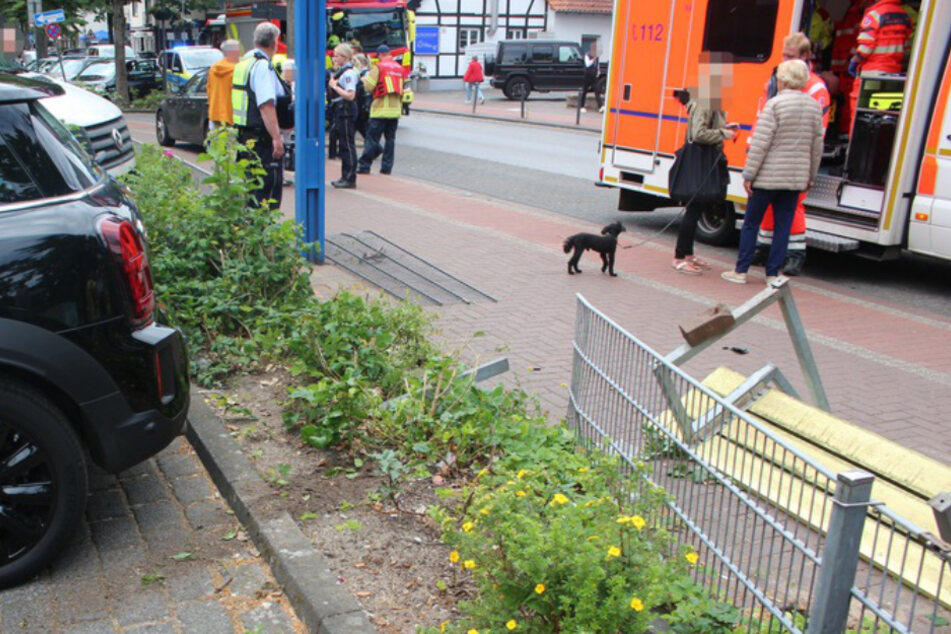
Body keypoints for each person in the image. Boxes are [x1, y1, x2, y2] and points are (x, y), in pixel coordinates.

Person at [722, 60, 823, 285]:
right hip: (794, 180)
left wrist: (749, 174)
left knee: (751, 223)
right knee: (783, 226)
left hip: (767, 177)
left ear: (784, 80)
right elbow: (817, 147)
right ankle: (772, 274)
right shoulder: (814, 107)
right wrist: (811, 177)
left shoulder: (774, 105)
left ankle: (741, 270)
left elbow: (761, 143)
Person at [753, 33, 830, 276]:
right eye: (784, 55)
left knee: (794, 205)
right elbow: (762, 116)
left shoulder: (816, 88)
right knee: (767, 206)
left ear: (805, 57)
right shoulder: (776, 80)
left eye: (790, 56)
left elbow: (817, 132)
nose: (784, 61)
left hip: (795, 157)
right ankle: (764, 247)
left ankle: (796, 254)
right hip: (774, 155)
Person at [671, 61, 737, 276]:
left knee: (696, 208)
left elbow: (703, 128)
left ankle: (688, 254)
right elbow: (698, 134)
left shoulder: (709, 100)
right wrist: (723, 134)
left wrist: (723, 129)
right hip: (701, 159)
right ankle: (680, 257)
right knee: (693, 209)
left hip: (704, 158)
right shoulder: (706, 101)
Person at [231, 21, 288, 211]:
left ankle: (251, 234)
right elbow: (266, 105)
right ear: (274, 42)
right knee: (267, 192)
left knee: (252, 189)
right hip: (262, 139)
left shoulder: (244, 63)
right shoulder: (262, 66)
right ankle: (263, 236)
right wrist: (276, 138)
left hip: (246, 137)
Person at [847, 0, 912, 136]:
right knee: (884, 114)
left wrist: (854, 60)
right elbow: (907, 44)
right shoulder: (905, 16)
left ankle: (855, 144)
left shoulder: (874, 15)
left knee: (860, 110)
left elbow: (866, 46)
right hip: (894, 72)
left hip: (872, 72)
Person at [356, 45, 404, 176]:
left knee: (372, 139)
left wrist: (364, 80)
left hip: (380, 109)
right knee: (390, 140)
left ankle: (365, 166)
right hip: (395, 110)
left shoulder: (379, 67)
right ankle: (386, 168)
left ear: (380, 55)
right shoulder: (400, 69)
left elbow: (368, 87)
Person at [328, 43, 360, 189]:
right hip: (342, 111)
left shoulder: (348, 74)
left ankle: (350, 177)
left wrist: (335, 86)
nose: (334, 58)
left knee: (347, 145)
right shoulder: (343, 72)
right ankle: (345, 175)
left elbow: (350, 95)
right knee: (344, 144)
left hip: (346, 111)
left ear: (344, 56)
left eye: (337, 55)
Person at [207, 40, 241, 129]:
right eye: (238, 50)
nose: (239, 52)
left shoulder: (213, 69)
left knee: (218, 141)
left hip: (215, 113)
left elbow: (209, 90)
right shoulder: (237, 70)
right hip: (232, 115)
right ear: (232, 52)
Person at [579, 43, 603, 114]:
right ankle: (581, 106)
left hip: (593, 76)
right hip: (587, 75)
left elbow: (597, 65)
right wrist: (593, 59)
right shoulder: (587, 55)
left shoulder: (597, 56)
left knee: (597, 90)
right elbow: (587, 64)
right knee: (584, 91)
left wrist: (598, 72)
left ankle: (600, 106)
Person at [353, 54, 372, 139]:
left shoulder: (366, 73)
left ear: (362, 63)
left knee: (363, 128)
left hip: (363, 104)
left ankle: (375, 147)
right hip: (360, 104)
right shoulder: (360, 73)